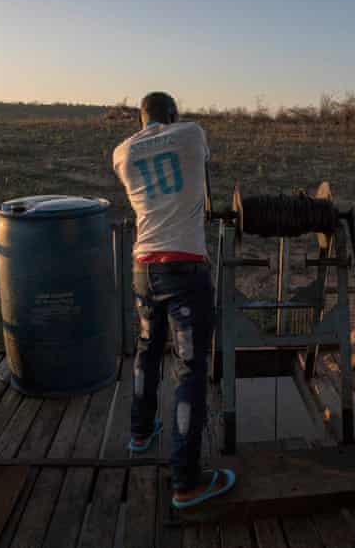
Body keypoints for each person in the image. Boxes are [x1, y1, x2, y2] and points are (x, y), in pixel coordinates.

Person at [112, 92, 235, 508]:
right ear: (173, 114)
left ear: (139, 119)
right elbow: (201, 173)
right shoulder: (192, 133)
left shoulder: (121, 152)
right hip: (185, 268)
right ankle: (185, 481)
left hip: (143, 268)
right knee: (190, 369)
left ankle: (140, 433)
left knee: (147, 352)